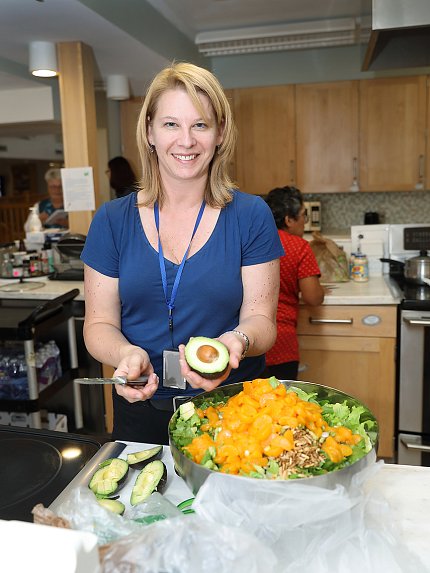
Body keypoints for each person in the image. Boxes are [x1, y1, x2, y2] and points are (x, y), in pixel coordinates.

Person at [81, 62, 284, 445]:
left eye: (201, 125)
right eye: (171, 124)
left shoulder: (251, 215)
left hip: (235, 411)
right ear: (150, 132)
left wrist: (236, 341)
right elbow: (98, 325)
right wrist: (125, 354)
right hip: (141, 406)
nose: (186, 141)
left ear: (220, 133)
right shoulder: (111, 220)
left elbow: (262, 320)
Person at [264, 186, 325, 381]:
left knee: (250, 405)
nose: (304, 223)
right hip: (281, 341)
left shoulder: (250, 241)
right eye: (302, 216)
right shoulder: (299, 247)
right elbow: (312, 298)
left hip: (249, 341)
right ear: (289, 220)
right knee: (283, 406)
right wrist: (321, 289)